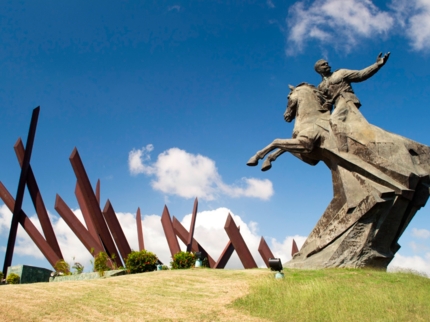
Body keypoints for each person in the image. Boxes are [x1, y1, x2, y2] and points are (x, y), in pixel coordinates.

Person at [314, 53, 390, 152]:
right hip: (337, 105)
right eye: (323, 64)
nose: (328, 65)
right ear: (318, 70)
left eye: (327, 63)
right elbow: (324, 105)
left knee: (335, 120)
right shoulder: (321, 86)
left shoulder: (340, 73)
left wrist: (377, 65)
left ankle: (343, 151)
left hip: (346, 99)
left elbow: (360, 75)